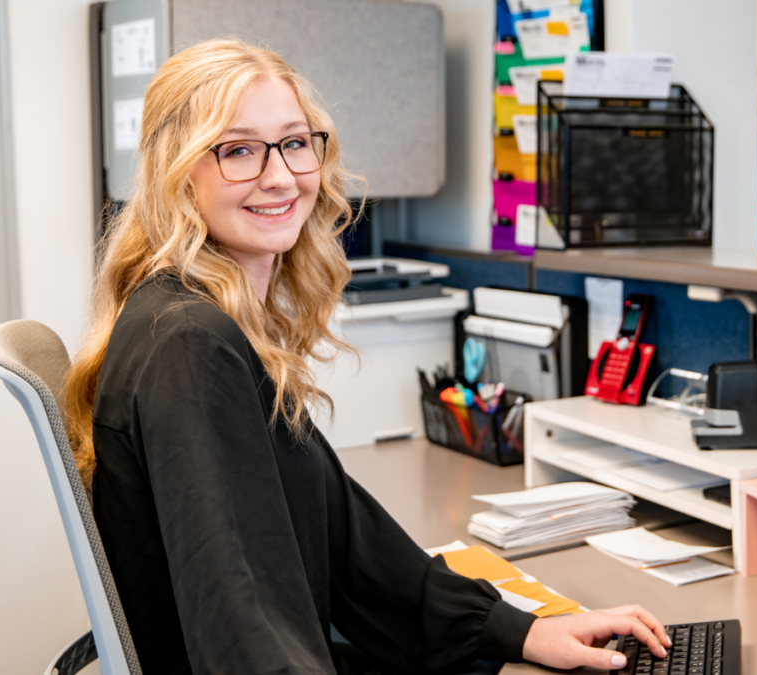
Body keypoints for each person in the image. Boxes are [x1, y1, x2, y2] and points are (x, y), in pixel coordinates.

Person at [63, 38, 670, 675]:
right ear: (179, 171)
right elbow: (243, 623)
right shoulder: (190, 342)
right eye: (238, 150)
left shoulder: (205, 316)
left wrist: (518, 632)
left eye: (295, 143)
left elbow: (346, 536)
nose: (279, 175)